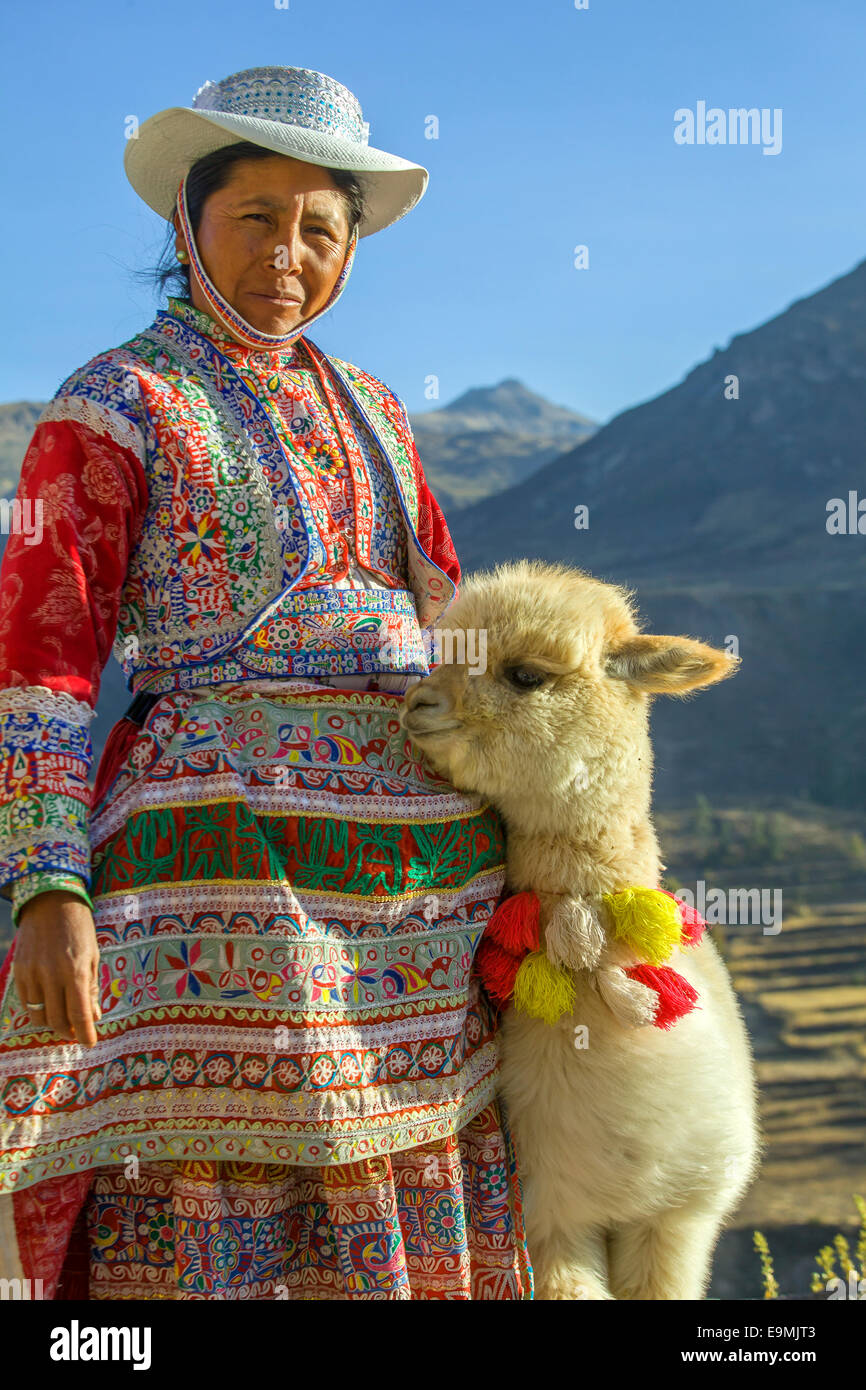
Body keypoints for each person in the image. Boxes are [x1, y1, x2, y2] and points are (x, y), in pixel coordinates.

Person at [0, 66, 531, 1300]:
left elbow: (452, 624)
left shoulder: (378, 414)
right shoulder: (115, 404)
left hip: (423, 900)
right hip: (221, 880)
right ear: (186, 223)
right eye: (254, 218)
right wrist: (47, 883)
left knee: (420, 1178)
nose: (286, 256)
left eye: (319, 228)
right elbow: (39, 654)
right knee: (208, 1191)